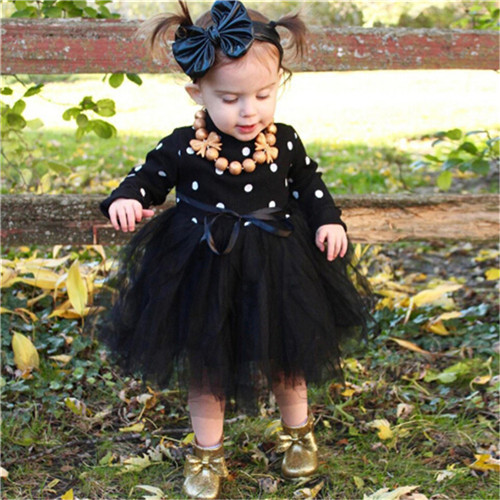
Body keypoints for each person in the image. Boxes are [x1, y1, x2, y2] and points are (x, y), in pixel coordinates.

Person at [98, 1, 371, 497]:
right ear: (197, 93)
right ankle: (207, 454)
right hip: (203, 270)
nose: (249, 111)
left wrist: (328, 221)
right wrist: (127, 198)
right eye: (229, 98)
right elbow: (147, 178)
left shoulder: (284, 141)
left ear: (279, 83)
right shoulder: (183, 145)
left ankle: (298, 434)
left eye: (264, 94)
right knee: (207, 366)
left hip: (278, 266)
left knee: (288, 355)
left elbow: (310, 185)